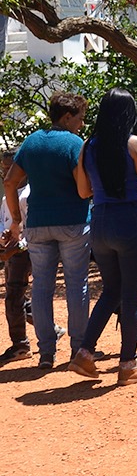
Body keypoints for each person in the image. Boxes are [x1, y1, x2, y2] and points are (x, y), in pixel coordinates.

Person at [67, 89, 137, 386]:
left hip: (100, 222)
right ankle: (128, 364)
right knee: (132, 297)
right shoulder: (133, 144)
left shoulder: (87, 146)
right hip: (129, 220)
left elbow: (83, 192)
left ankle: (84, 352)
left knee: (111, 291)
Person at [3, 92, 91, 370]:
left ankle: (45, 353)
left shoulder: (31, 142)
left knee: (41, 287)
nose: (81, 124)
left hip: (38, 224)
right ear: (67, 117)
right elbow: (82, 187)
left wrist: (16, 219)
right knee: (77, 285)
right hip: (73, 221)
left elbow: (10, 182)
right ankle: (78, 349)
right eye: (79, 118)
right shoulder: (75, 143)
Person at [0, 150, 32, 364]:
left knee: (14, 295)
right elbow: (5, 223)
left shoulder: (29, 195)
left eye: (9, 168)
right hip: (10, 252)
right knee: (17, 296)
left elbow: (31, 231)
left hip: (22, 253)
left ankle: (20, 344)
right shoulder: (7, 196)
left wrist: (15, 248)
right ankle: (52, 328)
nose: (5, 173)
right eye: (2, 169)